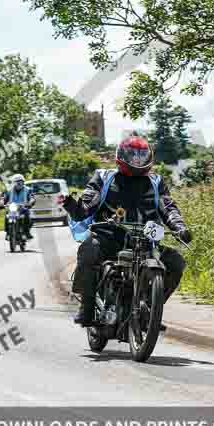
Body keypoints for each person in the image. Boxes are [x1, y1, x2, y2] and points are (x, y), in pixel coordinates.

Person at [62, 134, 192, 328]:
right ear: (121, 155)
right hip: (109, 238)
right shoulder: (104, 177)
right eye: (133, 155)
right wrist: (72, 206)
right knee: (89, 251)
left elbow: (168, 207)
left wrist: (180, 227)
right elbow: (86, 206)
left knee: (176, 262)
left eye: (141, 155)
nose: (137, 160)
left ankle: (151, 309)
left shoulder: (156, 182)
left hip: (146, 242)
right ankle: (87, 307)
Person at [0, 174, 35, 240]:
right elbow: (3, 198)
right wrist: (1, 203)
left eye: (20, 182)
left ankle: (26, 232)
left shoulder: (28, 190)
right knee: (7, 216)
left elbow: (32, 198)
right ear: (13, 183)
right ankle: (8, 232)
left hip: (23, 208)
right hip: (12, 208)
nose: (19, 183)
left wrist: (30, 203)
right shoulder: (8, 190)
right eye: (17, 182)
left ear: (23, 182)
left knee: (27, 216)